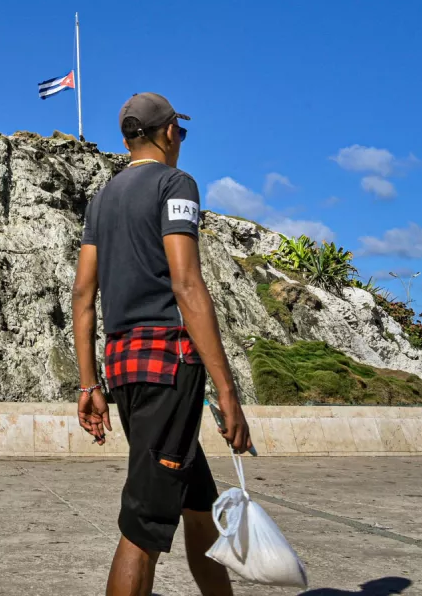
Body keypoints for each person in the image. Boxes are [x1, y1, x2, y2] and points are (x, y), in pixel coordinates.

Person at [72, 93, 253, 596]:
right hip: (169, 366)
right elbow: (187, 284)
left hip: (124, 365)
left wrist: (90, 383)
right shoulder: (177, 184)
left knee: (198, 506)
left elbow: (84, 294)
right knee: (143, 526)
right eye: (182, 132)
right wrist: (227, 390)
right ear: (169, 132)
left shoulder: (102, 199)